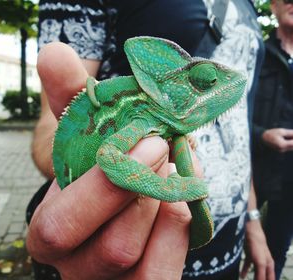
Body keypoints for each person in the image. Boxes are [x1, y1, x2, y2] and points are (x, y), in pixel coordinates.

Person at [27, 0, 274, 279]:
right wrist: (166, 188)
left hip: (228, 246)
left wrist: (253, 221)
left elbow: (239, 136)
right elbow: (106, 154)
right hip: (125, 250)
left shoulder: (247, 4)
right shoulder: (143, 114)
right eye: (204, 80)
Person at [252, 0, 293, 279]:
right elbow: (233, 113)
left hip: (290, 182)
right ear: (274, 5)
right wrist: (261, 135)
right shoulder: (257, 52)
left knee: (275, 255)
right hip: (255, 173)